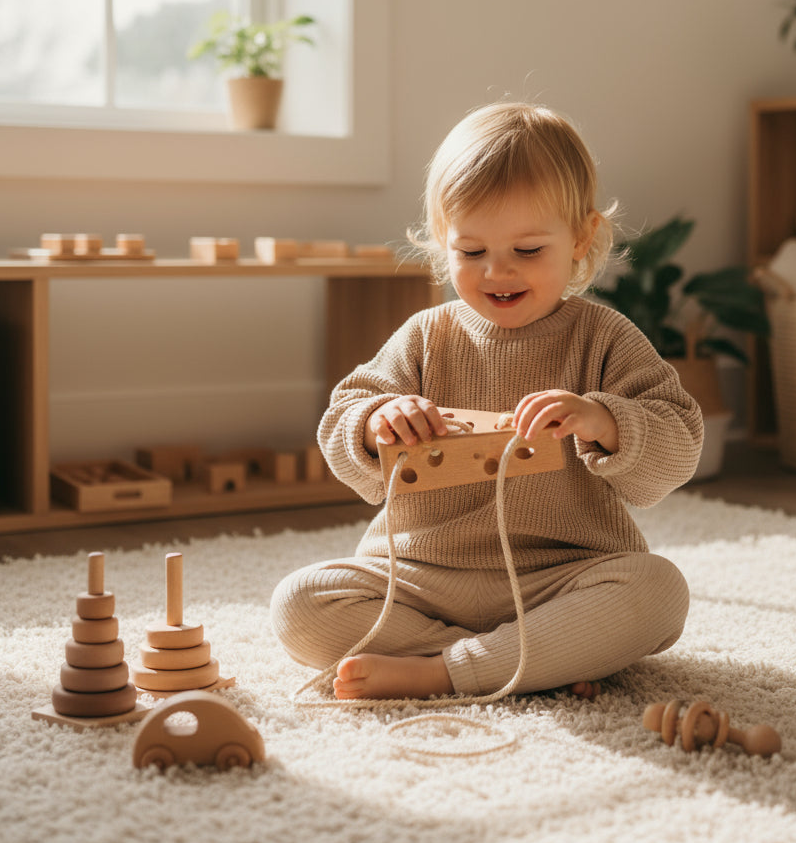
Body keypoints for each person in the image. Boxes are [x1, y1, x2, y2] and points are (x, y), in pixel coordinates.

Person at [270, 102, 703, 702]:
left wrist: (603, 420)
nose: (496, 272)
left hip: (559, 577)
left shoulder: (604, 336)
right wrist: (377, 422)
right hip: (421, 576)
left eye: (527, 250)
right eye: (470, 252)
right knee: (298, 604)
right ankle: (531, 658)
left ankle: (447, 670)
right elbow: (344, 416)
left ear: (582, 238)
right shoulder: (426, 335)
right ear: (443, 242)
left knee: (659, 592)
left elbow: (678, 442)